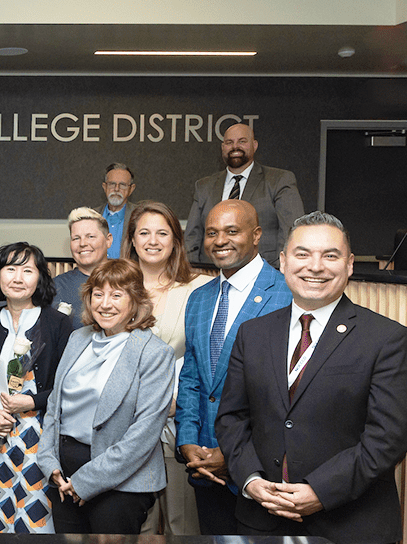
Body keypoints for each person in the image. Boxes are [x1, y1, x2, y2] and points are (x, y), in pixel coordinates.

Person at [216, 212, 407, 544]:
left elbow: (388, 438)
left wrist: (320, 491)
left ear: (349, 264)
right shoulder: (253, 334)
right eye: (302, 254)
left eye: (329, 255)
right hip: (261, 521)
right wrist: (250, 481)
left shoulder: (387, 339)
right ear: (284, 261)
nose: (315, 266)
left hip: (350, 526)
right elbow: (232, 418)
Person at [175, 200, 291, 535]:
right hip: (204, 467)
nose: (219, 240)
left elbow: (282, 393)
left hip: (261, 470)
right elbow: (192, 377)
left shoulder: (285, 293)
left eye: (231, 231)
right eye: (212, 233)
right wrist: (187, 442)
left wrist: (234, 454)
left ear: (256, 235)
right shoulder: (200, 297)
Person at [40, 259, 176, 534]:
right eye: (98, 294)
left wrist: (85, 481)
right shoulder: (78, 338)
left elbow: (144, 434)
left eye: (116, 295)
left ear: (136, 301)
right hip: (64, 475)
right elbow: (55, 405)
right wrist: (49, 461)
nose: (105, 303)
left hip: (122, 481)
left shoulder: (154, 352)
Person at [0, 242, 73, 533]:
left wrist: (32, 402)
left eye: (27, 270)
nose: (18, 277)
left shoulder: (58, 323)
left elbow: (69, 386)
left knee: (32, 519)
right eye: (10, 269)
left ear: (40, 278)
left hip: (38, 438)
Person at [122, 200, 212, 535]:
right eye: (144, 232)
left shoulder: (200, 288)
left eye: (163, 233)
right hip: (126, 426)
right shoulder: (115, 288)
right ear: (132, 240)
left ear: (176, 240)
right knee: (135, 525)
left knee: (181, 522)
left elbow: (208, 359)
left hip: (177, 420)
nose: (153, 240)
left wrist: (178, 402)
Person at [184, 123, 303, 269]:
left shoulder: (278, 180)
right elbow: (192, 236)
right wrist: (192, 271)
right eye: (229, 142)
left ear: (254, 145)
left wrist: (281, 271)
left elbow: (292, 231)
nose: (235, 147)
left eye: (242, 141)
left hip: (263, 273)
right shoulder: (204, 186)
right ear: (222, 148)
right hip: (212, 273)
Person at [50, 207, 112, 325]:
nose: (83, 244)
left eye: (90, 237)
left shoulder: (125, 281)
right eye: (76, 238)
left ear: (108, 240)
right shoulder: (55, 287)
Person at [100, 163, 134, 259]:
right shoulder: (92, 216)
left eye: (122, 185)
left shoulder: (140, 216)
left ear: (131, 189)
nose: (116, 189)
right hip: (96, 273)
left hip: (129, 273)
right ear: (104, 187)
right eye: (112, 184)